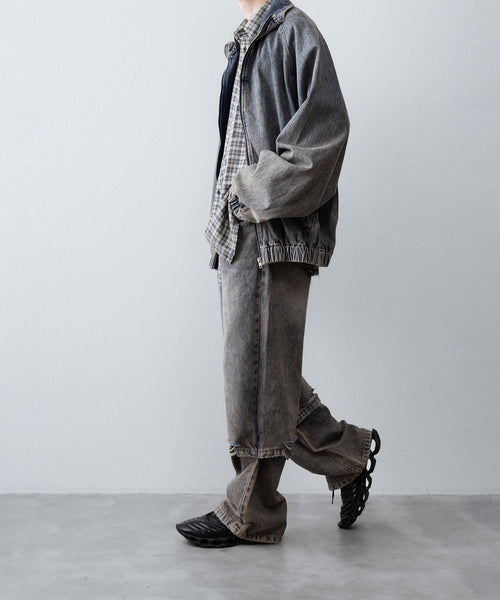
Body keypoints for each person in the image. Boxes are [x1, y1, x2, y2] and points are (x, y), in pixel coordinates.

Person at [176, 0, 381, 548]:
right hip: (238, 229)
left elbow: (324, 139)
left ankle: (253, 512)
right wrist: (231, 207)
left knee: (257, 369)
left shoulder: (294, 32)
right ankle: (348, 455)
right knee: (260, 368)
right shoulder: (247, 38)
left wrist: (250, 192)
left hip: (271, 230)